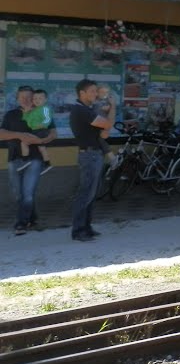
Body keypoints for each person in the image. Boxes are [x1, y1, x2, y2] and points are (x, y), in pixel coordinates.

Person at [1, 85, 57, 235]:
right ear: (17, 98)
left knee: (27, 193)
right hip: (14, 159)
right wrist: (20, 135)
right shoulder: (11, 114)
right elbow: (1, 134)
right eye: (22, 97)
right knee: (18, 194)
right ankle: (32, 218)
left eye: (28, 96)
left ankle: (21, 223)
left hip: (34, 159)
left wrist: (44, 140)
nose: (25, 99)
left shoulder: (41, 112)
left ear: (34, 98)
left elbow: (53, 133)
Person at [69, 78, 116, 242]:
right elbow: (108, 125)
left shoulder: (87, 109)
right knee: (85, 194)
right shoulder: (81, 110)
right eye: (92, 91)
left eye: (96, 91)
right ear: (82, 93)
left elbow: (104, 131)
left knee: (91, 193)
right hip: (88, 155)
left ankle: (86, 227)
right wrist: (113, 107)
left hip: (94, 153)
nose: (96, 94)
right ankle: (78, 230)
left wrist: (104, 129)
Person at [17, 89, 54, 174]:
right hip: (36, 131)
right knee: (41, 148)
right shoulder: (34, 110)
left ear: (45, 100)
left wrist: (43, 124)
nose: (37, 100)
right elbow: (26, 120)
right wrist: (26, 112)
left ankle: (25, 160)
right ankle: (47, 164)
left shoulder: (45, 108)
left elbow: (48, 118)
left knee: (24, 142)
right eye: (35, 98)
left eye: (40, 98)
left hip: (41, 130)